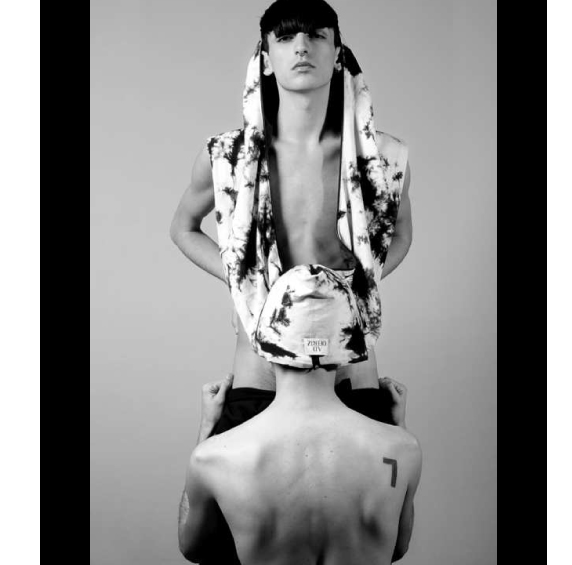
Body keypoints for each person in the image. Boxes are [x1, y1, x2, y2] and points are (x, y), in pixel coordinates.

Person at [169, 0, 413, 397]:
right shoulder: (228, 157)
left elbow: (400, 234)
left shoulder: (382, 159)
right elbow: (182, 228)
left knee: (362, 438)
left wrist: (362, 282)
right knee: (243, 437)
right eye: (285, 38)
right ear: (266, 60)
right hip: (262, 355)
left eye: (316, 36)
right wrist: (241, 277)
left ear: (337, 55)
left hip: (348, 355)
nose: (301, 46)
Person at [177, 266, 422, 564]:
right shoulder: (403, 450)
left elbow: (193, 548)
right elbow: (398, 548)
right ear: (348, 353)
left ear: (264, 348)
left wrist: (207, 428)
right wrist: (396, 425)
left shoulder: (213, 458)